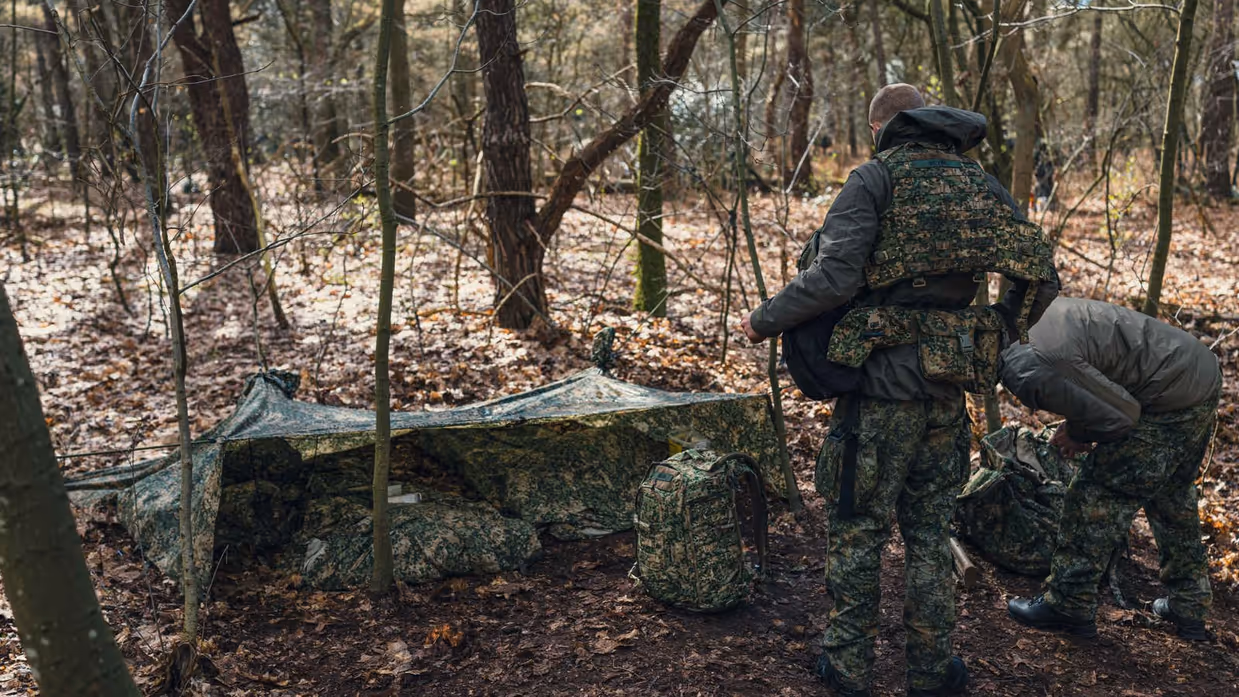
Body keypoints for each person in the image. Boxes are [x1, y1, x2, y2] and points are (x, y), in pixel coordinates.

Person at [741, 83, 1059, 697]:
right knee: (929, 530)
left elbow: (833, 276)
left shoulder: (874, 180)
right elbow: (1040, 275)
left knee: (858, 527)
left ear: (883, 127)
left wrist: (764, 319)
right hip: (946, 394)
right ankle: (933, 671)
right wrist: (994, 331)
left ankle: (849, 667)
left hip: (877, 393)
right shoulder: (980, 184)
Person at [1000, 297, 1220, 641]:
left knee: (1095, 495)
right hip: (1197, 375)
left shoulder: (1026, 363)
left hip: (1168, 399)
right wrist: (1077, 424)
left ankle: (1068, 603)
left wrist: (1077, 433)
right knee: (1171, 497)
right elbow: (1095, 383)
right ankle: (1189, 605)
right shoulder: (1035, 315)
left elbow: (1121, 415)